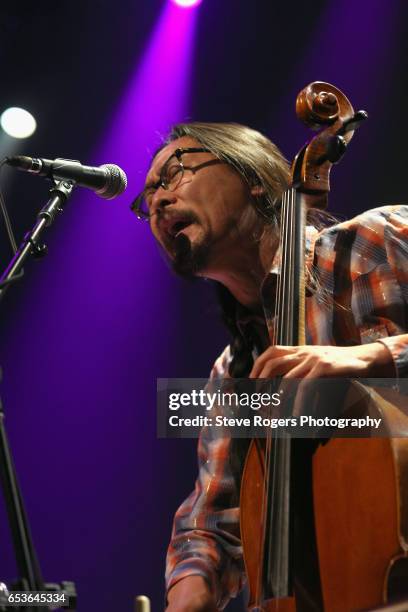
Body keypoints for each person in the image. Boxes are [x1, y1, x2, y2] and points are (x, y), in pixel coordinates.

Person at [132, 122, 408, 611]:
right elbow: (210, 522)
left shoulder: (375, 240)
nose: (156, 201)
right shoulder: (233, 373)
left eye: (173, 172)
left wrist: (371, 355)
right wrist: (186, 598)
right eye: (147, 196)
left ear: (254, 176)